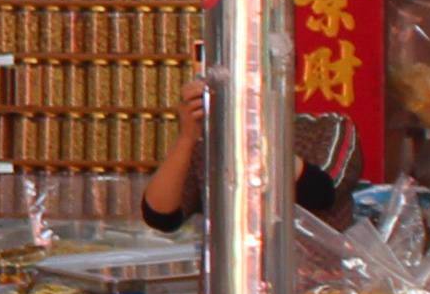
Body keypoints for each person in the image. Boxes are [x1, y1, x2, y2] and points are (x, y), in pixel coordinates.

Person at [137, 77, 350, 230]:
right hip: (228, 284)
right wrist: (187, 137)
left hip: (313, 288)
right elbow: (160, 216)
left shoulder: (328, 127)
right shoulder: (210, 141)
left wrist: (251, 131)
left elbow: (320, 193)